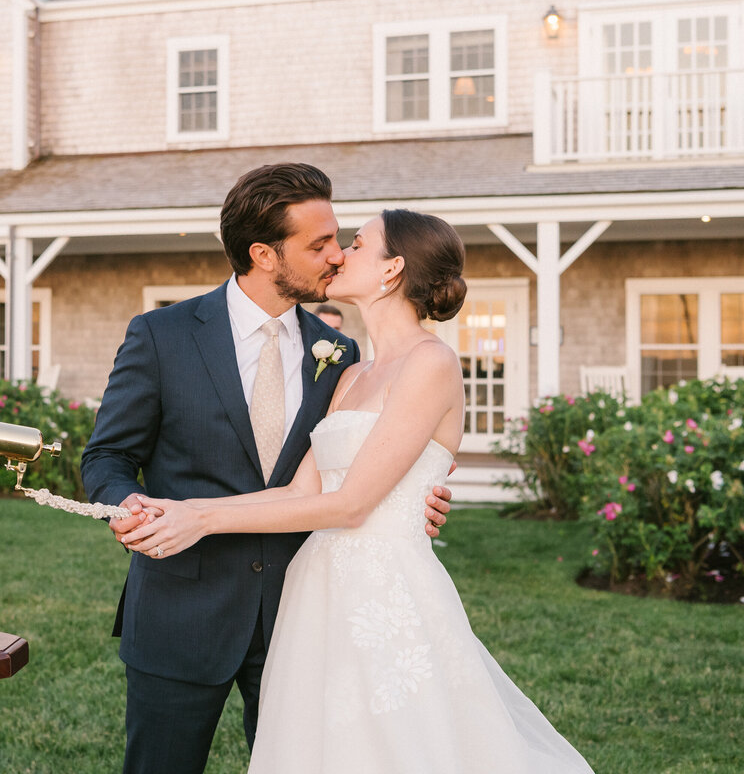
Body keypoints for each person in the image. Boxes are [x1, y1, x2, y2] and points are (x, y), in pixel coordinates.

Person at [122, 209, 595, 773]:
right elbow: (298, 493)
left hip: (386, 591)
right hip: (317, 592)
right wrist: (185, 509)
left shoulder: (432, 362)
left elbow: (350, 505)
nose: (340, 254)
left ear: (392, 268)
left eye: (355, 243)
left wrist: (202, 522)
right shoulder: (349, 371)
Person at [81, 165, 454, 774]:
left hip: (304, 611)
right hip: (182, 609)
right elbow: (106, 457)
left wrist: (416, 497)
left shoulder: (343, 356)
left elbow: (360, 471)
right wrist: (131, 508)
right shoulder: (161, 335)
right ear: (263, 253)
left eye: (341, 240)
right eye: (318, 245)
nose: (335, 257)